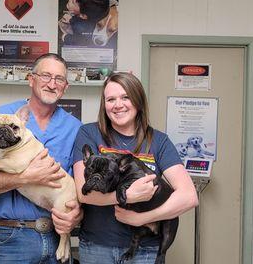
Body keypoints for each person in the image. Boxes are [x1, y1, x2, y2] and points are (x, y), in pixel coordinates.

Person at [0, 53, 83, 264]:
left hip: (56, 237)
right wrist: (25, 177)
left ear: (66, 86)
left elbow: (79, 189)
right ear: (31, 79)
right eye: (45, 76)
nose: (52, 84)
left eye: (59, 79)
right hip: (10, 239)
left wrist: (76, 215)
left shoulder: (75, 128)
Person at [71, 72, 199, 263]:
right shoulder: (89, 133)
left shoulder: (158, 141)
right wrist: (128, 196)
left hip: (144, 250)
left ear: (138, 101)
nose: (118, 105)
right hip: (97, 245)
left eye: (125, 97)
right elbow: (84, 192)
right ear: (104, 104)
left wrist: (141, 218)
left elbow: (189, 197)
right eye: (110, 99)